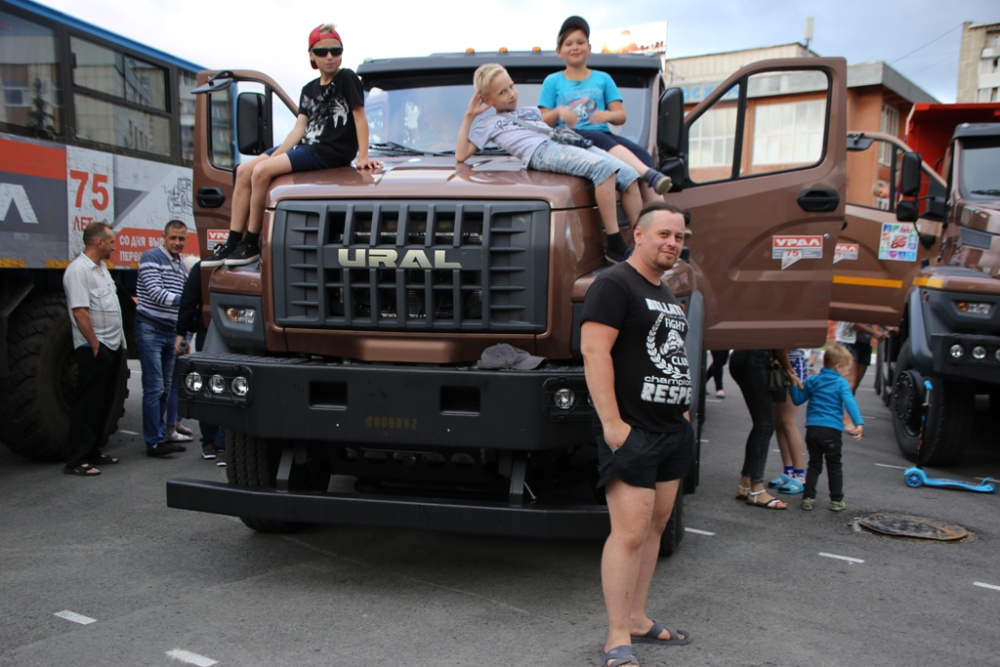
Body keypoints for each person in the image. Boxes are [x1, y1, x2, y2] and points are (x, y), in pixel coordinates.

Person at [581, 202, 695, 667]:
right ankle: (616, 636)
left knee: (654, 529)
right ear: (640, 235)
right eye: (664, 234)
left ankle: (637, 618)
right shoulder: (614, 283)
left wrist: (683, 413)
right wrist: (613, 425)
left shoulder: (665, 292)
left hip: (671, 430)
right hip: (633, 429)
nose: (673, 243)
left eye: (679, 237)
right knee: (628, 534)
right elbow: (594, 352)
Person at [202, 23, 381, 268]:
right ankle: (233, 241)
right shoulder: (308, 89)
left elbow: (359, 117)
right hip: (306, 146)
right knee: (244, 170)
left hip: (328, 151)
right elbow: (299, 129)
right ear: (312, 56)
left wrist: (363, 156)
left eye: (336, 50)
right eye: (322, 52)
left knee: (261, 171)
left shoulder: (347, 78)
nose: (330, 56)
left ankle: (251, 242)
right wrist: (275, 155)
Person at [457, 63, 643, 264]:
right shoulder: (488, 123)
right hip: (541, 151)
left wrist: (566, 113)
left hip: (564, 142)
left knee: (629, 174)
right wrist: (469, 115)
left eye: (511, 86)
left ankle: (641, 245)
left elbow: (553, 122)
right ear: (487, 100)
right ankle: (615, 244)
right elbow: (461, 154)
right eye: (502, 92)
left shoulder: (531, 110)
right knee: (604, 169)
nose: (511, 94)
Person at [538, 16, 673, 205]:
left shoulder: (603, 79)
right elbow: (542, 120)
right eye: (568, 43)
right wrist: (559, 111)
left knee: (642, 155)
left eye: (580, 42)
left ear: (589, 48)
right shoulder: (552, 81)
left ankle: (661, 213)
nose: (575, 47)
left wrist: (606, 115)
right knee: (599, 139)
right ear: (559, 51)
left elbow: (621, 116)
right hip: (569, 138)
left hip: (603, 136)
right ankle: (649, 175)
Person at [61, 222, 127, 476]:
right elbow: (80, 312)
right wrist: (95, 345)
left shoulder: (101, 269)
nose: (114, 246)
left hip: (112, 345)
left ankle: (93, 451)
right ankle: (76, 460)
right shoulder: (78, 271)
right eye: (111, 241)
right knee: (88, 404)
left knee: (103, 403)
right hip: (95, 348)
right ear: (99, 242)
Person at [135, 220, 190, 457]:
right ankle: (154, 442)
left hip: (170, 332)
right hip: (151, 329)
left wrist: (183, 334)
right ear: (164, 237)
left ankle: (160, 437)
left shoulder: (181, 266)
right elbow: (156, 294)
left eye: (181, 239)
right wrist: (187, 301)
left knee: (165, 388)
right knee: (154, 387)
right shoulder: (151, 257)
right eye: (173, 238)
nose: (177, 243)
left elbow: (182, 307)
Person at [789, 344, 864, 512]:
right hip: (832, 431)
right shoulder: (840, 383)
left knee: (814, 464)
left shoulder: (813, 380)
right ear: (838, 366)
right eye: (848, 368)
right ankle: (836, 500)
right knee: (834, 465)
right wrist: (858, 422)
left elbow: (798, 400)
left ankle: (808, 498)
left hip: (812, 430)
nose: (848, 372)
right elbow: (849, 402)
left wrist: (793, 384)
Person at [729, 348, 800, 509]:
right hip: (757, 358)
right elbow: (779, 344)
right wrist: (789, 369)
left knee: (760, 423)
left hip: (740, 356)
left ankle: (746, 482)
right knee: (765, 424)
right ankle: (756, 489)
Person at [174, 260, 226, 464]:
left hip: (207, 329)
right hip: (236, 331)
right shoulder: (245, 262)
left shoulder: (204, 265)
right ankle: (222, 444)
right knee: (230, 386)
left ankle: (209, 443)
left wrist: (182, 332)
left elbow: (188, 300)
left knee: (207, 385)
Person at [769, 348, 808, 494]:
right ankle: (788, 471)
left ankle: (799, 475)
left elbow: (783, 346)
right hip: (778, 365)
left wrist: (789, 370)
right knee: (779, 422)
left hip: (791, 365)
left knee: (787, 421)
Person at [834, 321, 887, 393]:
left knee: (855, 384)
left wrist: (889, 328)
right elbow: (851, 323)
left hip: (864, 343)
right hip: (849, 342)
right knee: (851, 382)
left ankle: (842, 399)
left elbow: (874, 317)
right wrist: (874, 333)